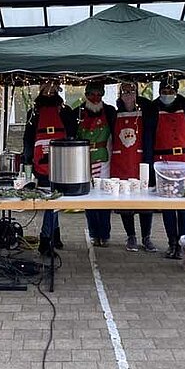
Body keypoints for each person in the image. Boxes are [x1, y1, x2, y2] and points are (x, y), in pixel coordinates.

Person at [152, 77, 185, 259]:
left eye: (171, 91)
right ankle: (172, 242)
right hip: (163, 160)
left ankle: (184, 241)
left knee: (184, 204)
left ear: (176, 91)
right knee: (168, 205)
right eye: (164, 91)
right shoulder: (153, 109)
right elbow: (149, 138)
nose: (167, 94)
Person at [22, 80, 76, 256]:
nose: (49, 90)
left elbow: (73, 136)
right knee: (51, 203)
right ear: (40, 89)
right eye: (45, 86)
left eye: (53, 86)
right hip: (42, 165)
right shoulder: (33, 113)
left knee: (55, 201)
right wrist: (27, 162)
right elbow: (28, 139)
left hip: (63, 163)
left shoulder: (66, 111)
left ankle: (54, 234)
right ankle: (46, 240)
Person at [111, 81, 157, 252]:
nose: (128, 94)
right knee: (125, 204)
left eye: (131, 91)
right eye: (125, 91)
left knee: (145, 204)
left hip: (141, 162)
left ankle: (147, 237)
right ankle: (131, 236)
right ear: (120, 94)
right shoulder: (113, 114)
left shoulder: (145, 112)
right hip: (121, 162)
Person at [75, 82, 116, 247]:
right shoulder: (77, 112)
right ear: (86, 95)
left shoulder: (110, 111)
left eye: (99, 94)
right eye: (92, 94)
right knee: (88, 197)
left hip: (104, 157)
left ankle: (105, 233)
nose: (95, 98)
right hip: (83, 159)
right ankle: (93, 233)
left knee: (104, 197)